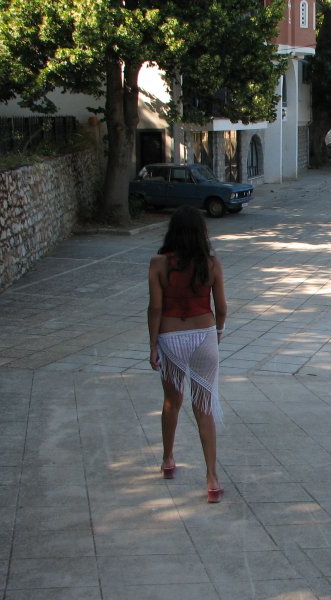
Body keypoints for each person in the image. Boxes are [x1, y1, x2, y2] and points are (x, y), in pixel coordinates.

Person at [147, 206, 227, 503]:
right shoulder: (211, 264)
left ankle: (168, 460)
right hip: (204, 334)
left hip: (170, 336)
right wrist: (218, 332)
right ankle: (212, 479)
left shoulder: (158, 264)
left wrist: (152, 344)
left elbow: (155, 307)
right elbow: (222, 308)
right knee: (203, 406)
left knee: (172, 401)